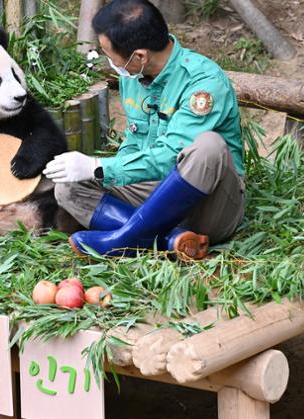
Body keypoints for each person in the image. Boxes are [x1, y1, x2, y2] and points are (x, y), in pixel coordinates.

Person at [43, 0, 245, 259]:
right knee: (68, 187)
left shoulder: (204, 82)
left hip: (209, 203)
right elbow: (134, 143)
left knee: (209, 146)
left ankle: (122, 239)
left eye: (108, 53)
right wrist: (99, 172)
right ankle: (173, 240)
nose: (108, 60)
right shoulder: (133, 76)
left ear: (139, 56)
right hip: (155, 190)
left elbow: (171, 155)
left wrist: (99, 166)